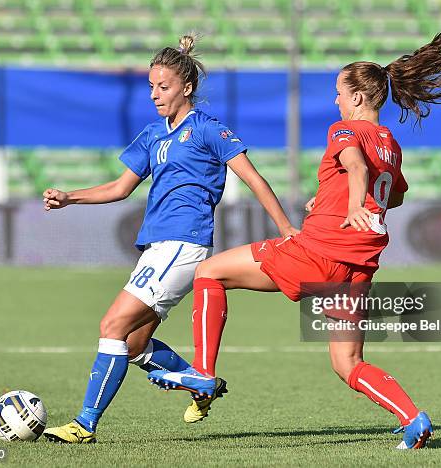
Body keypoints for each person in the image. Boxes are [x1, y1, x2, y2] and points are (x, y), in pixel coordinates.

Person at [148, 21, 441, 450]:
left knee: (210, 273)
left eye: (340, 93)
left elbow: (358, 169)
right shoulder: (390, 144)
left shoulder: (344, 130)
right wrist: (334, 200)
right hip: (356, 267)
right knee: (348, 363)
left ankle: (203, 372)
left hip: (319, 253)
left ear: (358, 97)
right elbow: (394, 196)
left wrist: (353, 204)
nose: (336, 100)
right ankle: (412, 419)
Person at [41, 35, 299, 443]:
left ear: (187, 87)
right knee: (134, 345)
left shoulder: (207, 129)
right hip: (157, 248)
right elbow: (121, 187)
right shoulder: (152, 135)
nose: (155, 95)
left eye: (163, 87)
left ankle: (84, 423)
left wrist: (286, 228)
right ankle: (198, 383)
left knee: (112, 325)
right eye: (150, 87)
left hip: (184, 244)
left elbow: (252, 177)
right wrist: (70, 197)